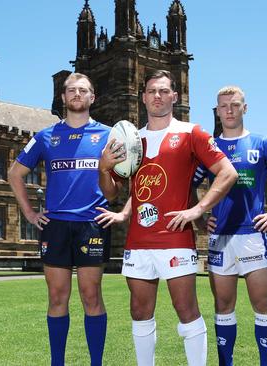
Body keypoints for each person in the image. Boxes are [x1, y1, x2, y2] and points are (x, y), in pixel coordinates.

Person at [97, 70, 238, 366]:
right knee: (139, 310)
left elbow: (228, 173)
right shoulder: (131, 140)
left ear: (175, 96)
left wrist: (198, 210)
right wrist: (103, 167)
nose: (157, 96)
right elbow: (111, 193)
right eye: (152, 91)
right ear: (144, 97)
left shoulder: (192, 132)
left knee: (186, 308)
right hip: (139, 241)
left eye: (164, 91)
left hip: (176, 238)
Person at [190, 86, 267, 366]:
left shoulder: (262, 144)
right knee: (223, 306)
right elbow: (189, 183)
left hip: (252, 235)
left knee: (262, 304)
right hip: (220, 238)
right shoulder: (209, 148)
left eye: (234, 105)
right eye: (223, 105)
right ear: (217, 110)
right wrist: (199, 218)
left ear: (244, 108)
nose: (228, 110)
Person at [8, 73, 111, 366]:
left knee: (91, 296)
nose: (77, 94)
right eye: (71, 90)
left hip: (92, 223)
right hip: (55, 226)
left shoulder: (109, 134)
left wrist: (123, 211)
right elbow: (15, 174)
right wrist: (29, 212)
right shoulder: (45, 136)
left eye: (83, 90)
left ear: (92, 97)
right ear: (63, 98)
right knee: (57, 298)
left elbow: (133, 173)